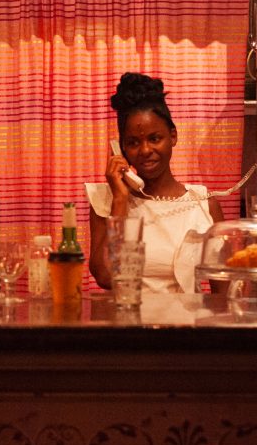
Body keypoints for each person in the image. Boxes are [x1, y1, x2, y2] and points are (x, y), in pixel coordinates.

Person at [87, 72, 223, 293]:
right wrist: (120, 200)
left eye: (154, 138)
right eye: (133, 142)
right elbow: (105, 276)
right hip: (128, 323)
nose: (145, 150)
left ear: (173, 136)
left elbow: (223, 291)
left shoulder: (203, 203)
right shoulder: (106, 200)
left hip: (186, 324)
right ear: (121, 148)